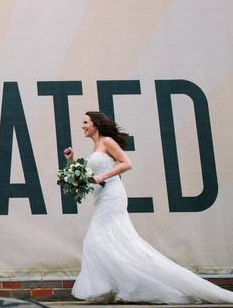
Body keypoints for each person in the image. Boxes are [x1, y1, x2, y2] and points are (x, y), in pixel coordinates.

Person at [64, 111, 233, 304]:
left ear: (95, 124)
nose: (82, 126)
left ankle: (106, 287)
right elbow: (85, 175)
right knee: (111, 241)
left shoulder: (108, 141)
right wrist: (71, 159)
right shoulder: (95, 147)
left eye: (85, 122)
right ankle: (109, 286)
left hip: (113, 196)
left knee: (94, 240)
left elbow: (127, 163)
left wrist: (104, 176)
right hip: (103, 197)